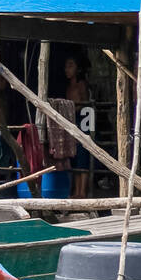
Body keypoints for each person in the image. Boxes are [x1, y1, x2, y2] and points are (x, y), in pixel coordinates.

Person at [64, 55, 92, 199]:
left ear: (77, 68)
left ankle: (82, 192)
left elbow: (86, 103)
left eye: (70, 65)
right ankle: (75, 191)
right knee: (74, 157)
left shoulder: (81, 84)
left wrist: (73, 109)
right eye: (66, 66)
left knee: (83, 156)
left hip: (83, 121)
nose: (66, 69)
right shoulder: (68, 87)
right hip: (72, 122)